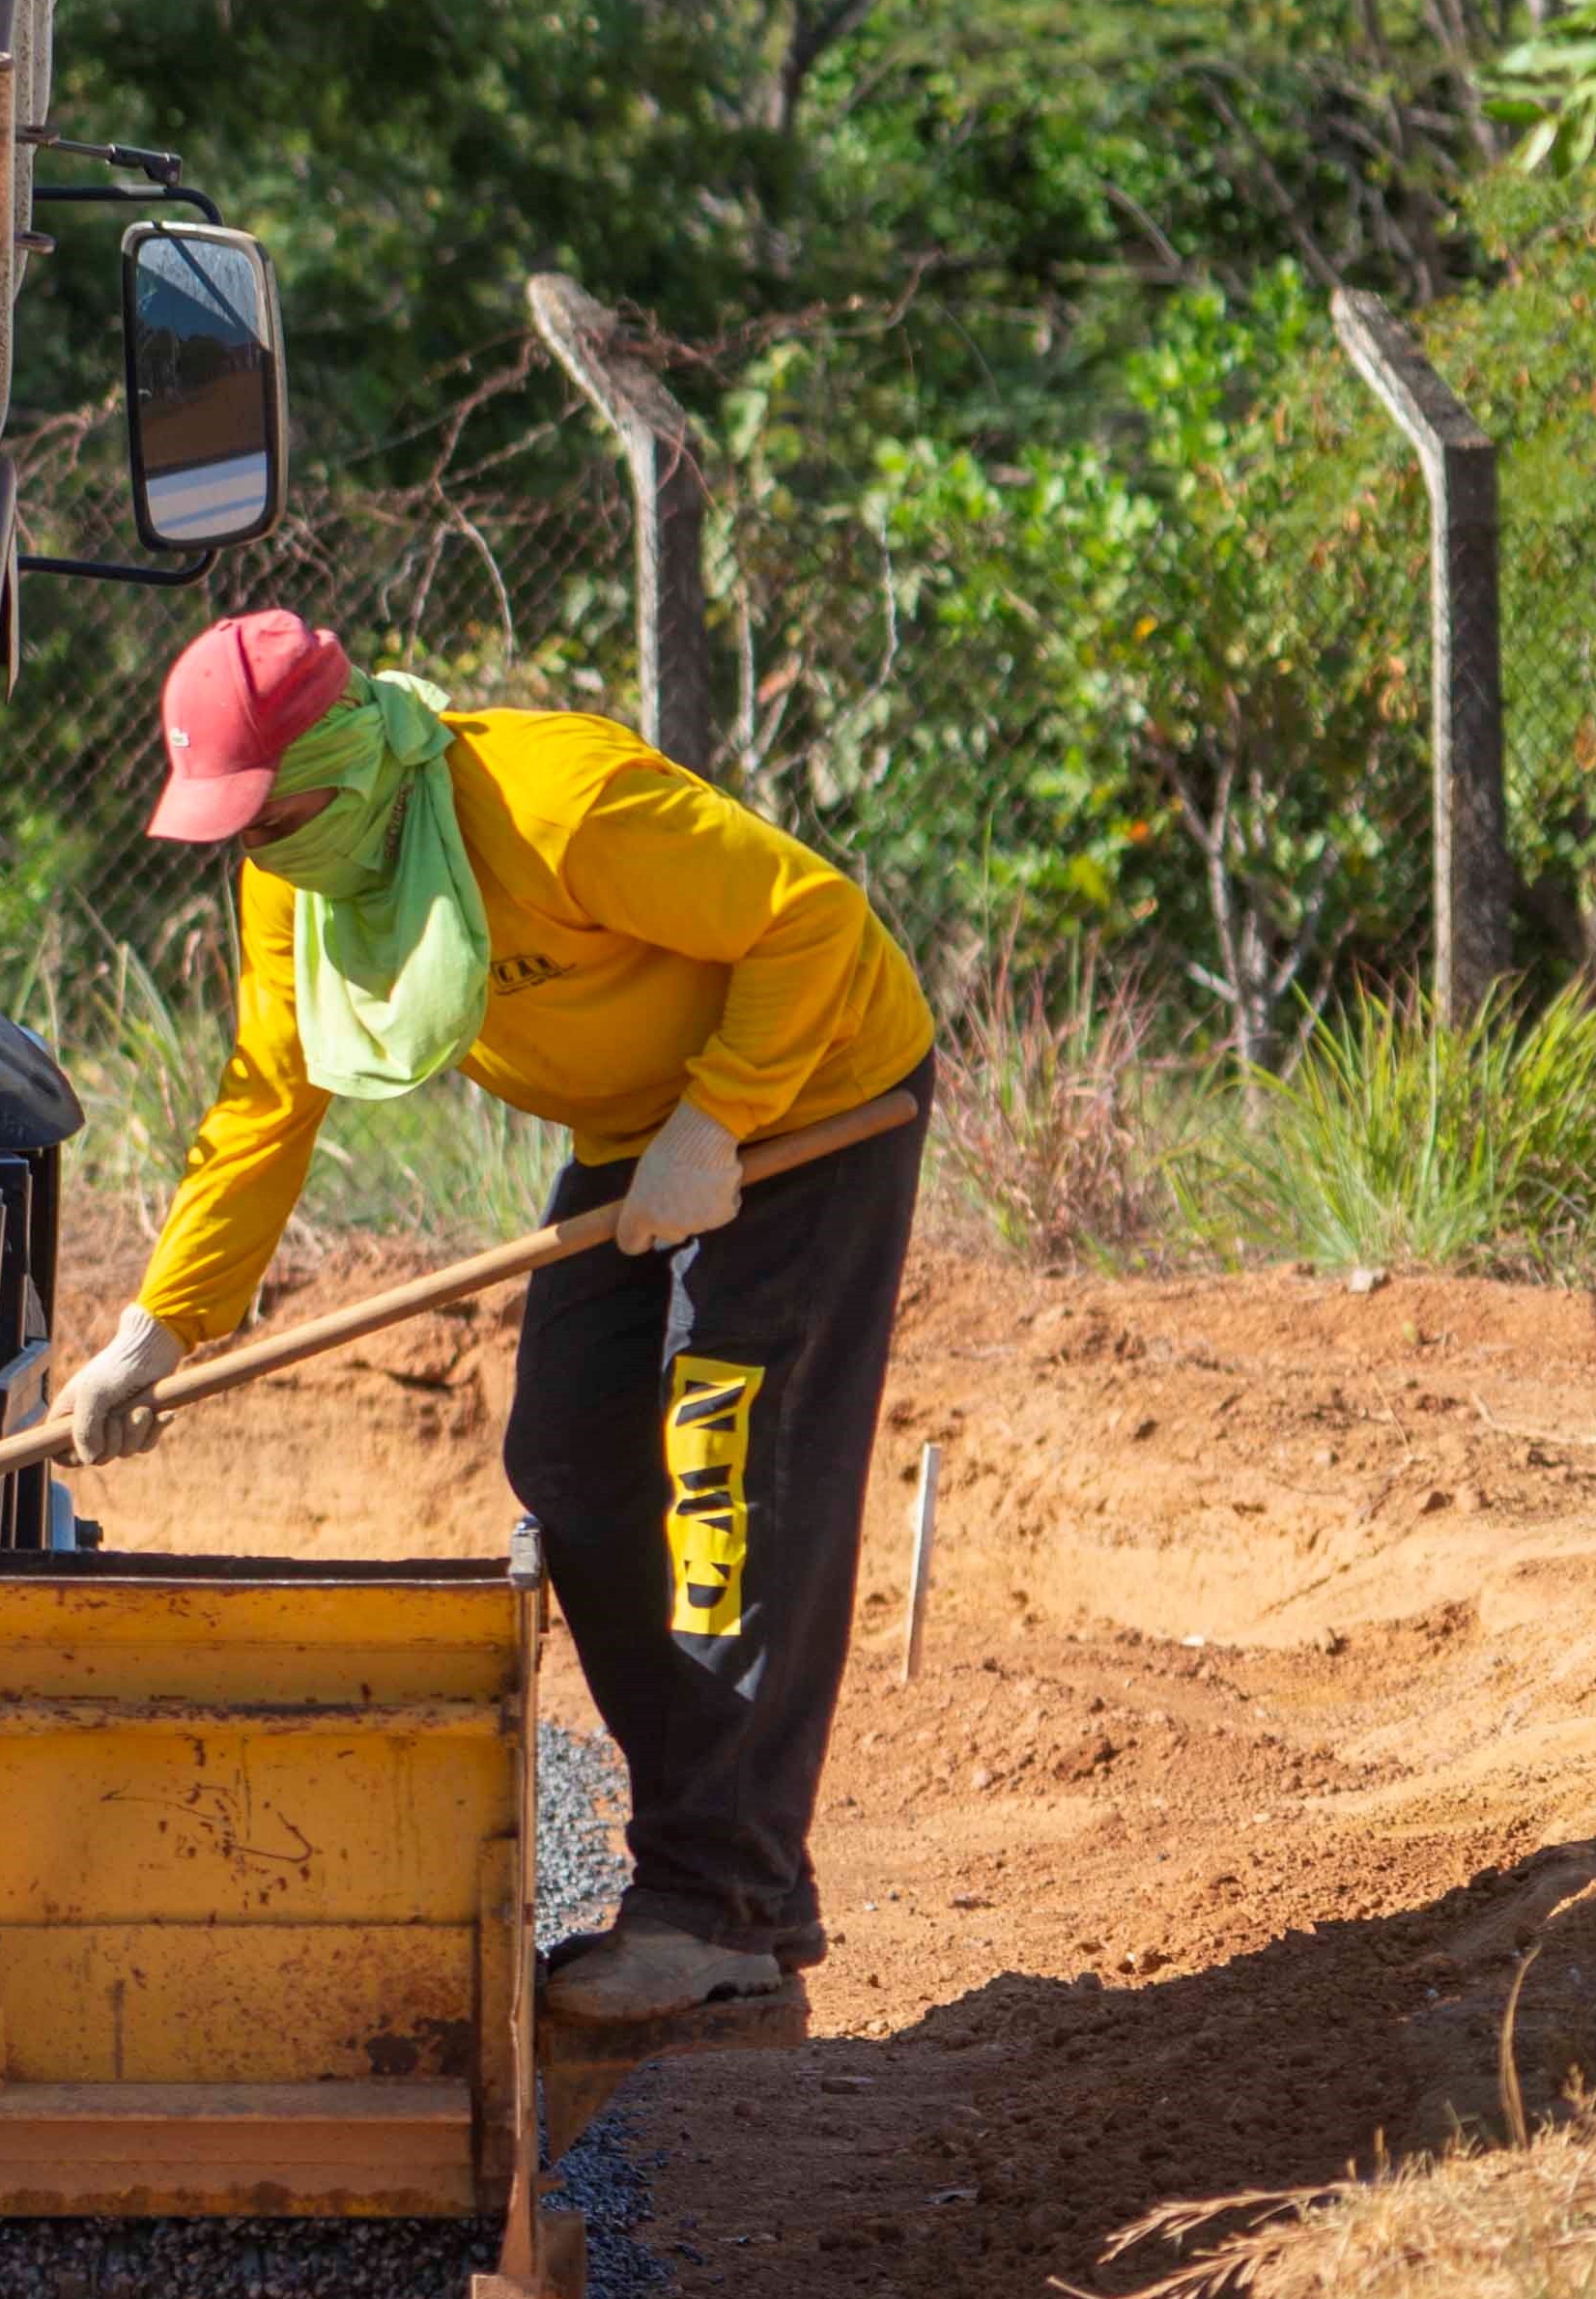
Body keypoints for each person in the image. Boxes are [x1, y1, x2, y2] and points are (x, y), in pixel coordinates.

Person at [54, 608, 936, 2040]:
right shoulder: (300, 874)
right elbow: (272, 1096)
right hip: (634, 1125)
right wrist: (163, 1325)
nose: (256, 850)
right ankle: (728, 1884)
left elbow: (814, 922)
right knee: (577, 1469)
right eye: (235, 829)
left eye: (271, 813)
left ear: (348, 758)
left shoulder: (555, 804)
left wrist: (717, 1118)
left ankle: (715, 1908)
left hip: (811, 1100)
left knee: (720, 1469)